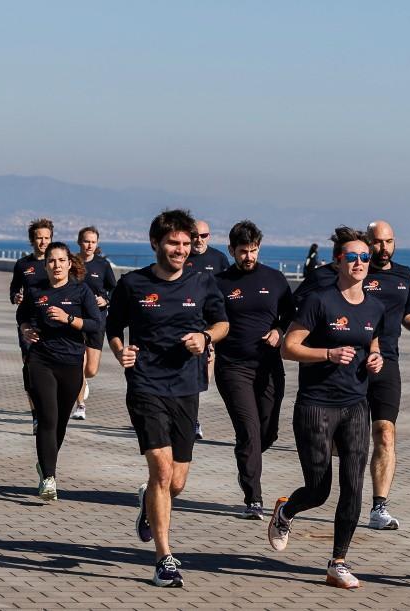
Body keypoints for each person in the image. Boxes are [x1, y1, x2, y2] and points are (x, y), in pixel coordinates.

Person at [107, 209, 229, 588]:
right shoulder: (133, 285)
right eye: (173, 243)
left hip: (186, 388)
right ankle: (164, 558)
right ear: (155, 243)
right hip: (145, 386)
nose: (180, 250)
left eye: (185, 243)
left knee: (176, 483)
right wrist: (119, 351)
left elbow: (222, 323)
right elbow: (113, 327)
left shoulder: (202, 282)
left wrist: (206, 338)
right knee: (160, 471)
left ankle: (149, 503)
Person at [267, 226, 384, 591]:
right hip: (316, 405)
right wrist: (327, 354)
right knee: (319, 489)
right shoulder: (320, 301)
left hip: (355, 405)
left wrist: (376, 355)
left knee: (354, 486)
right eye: (352, 257)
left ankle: (338, 562)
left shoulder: (374, 306)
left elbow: (372, 338)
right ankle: (286, 510)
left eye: (365, 257)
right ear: (337, 262)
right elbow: (289, 347)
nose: (360, 263)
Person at [214, 220, 295, 519]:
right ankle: (253, 498)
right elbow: (206, 317)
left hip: (269, 367)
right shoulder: (220, 283)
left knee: (267, 433)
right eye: (243, 251)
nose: (249, 257)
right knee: (249, 432)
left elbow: (291, 313)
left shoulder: (275, 280)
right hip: (233, 368)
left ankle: (246, 464)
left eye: (253, 250)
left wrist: (279, 330)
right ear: (231, 250)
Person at [17, 242, 102, 500]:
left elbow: (96, 323)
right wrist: (24, 329)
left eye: (61, 260)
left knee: (60, 424)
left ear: (69, 263)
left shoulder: (80, 291)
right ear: (45, 265)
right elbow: (22, 315)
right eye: (51, 261)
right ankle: (50, 478)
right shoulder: (36, 291)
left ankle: (45, 465)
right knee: (48, 418)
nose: (56, 265)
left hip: (71, 363)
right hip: (41, 360)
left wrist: (69, 319)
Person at [360, 221, 410, 530]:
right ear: (367, 243)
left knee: (385, 433)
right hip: (352, 362)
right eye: (377, 242)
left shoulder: (404, 274)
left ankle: (378, 508)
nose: (383, 248)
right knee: (349, 440)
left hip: (388, 362)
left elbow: (405, 311)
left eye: (388, 241)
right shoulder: (356, 270)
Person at [185, 219, 230, 440]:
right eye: (195, 235)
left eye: (204, 236)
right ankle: (190, 419)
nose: (198, 240)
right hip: (185, 325)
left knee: (202, 378)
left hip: (210, 327)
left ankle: (192, 416)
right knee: (187, 374)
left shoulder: (218, 259)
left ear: (209, 237)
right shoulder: (181, 256)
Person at [10, 219, 54, 427]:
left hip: (54, 323)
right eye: (39, 238)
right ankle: (36, 414)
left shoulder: (58, 262)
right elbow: (13, 290)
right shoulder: (23, 265)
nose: (43, 242)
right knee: (30, 368)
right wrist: (16, 297)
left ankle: (51, 409)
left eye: (46, 238)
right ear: (32, 240)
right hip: (29, 322)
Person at [73, 226, 117, 420]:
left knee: (90, 369)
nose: (89, 245)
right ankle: (80, 405)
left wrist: (105, 300)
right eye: (86, 241)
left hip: (97, 320)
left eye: (93, 241)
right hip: (75, 320)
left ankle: (84, 382)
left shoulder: (103, 265)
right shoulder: (71, 263)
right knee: (77, 365)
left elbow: (113, 289)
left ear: (97, 244)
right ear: (79, 242)